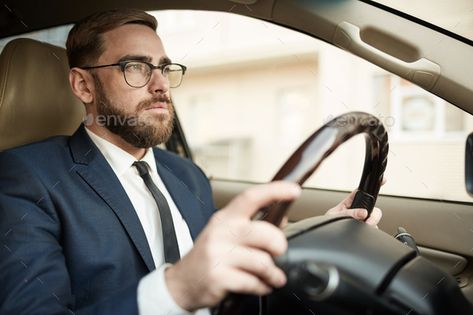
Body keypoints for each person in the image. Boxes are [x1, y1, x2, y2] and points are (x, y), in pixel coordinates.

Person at [0, 8, 382, 315]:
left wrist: (321, 232)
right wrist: (177, 289)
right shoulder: (26, 176)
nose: (161, 84)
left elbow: (222, 266)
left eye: (164, 68)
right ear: (83, 85)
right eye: (135, 67)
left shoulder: (187, 173)